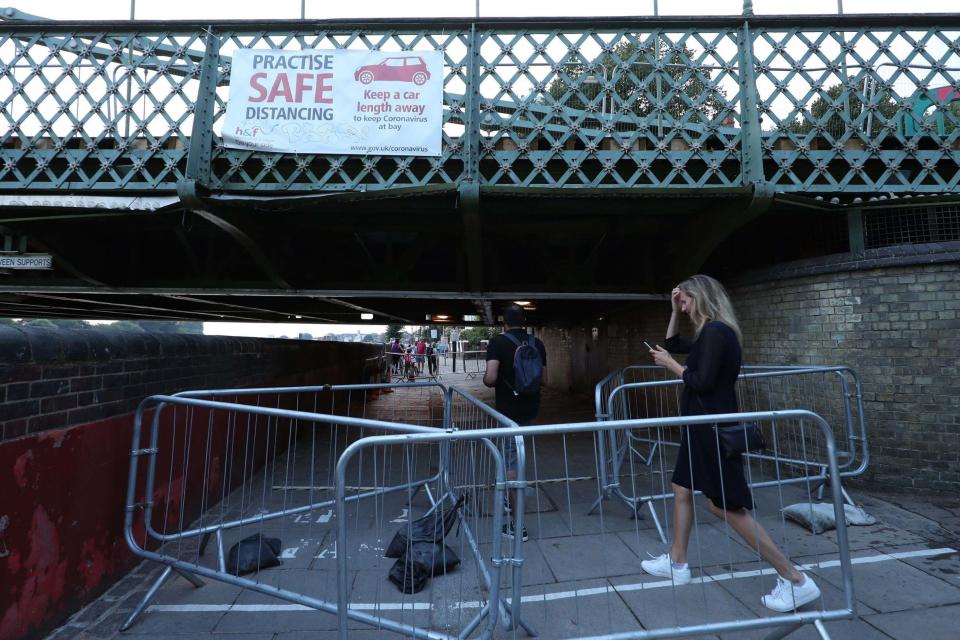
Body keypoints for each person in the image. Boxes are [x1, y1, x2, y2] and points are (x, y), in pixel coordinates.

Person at [642, 274, 821, 612]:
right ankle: (677, 563)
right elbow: (673, 341)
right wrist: (672, 311)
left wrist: (670, 366)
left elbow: (701, 381)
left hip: (711, 430)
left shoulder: (716, 332)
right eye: (679, 301)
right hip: (699, 428)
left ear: (701, 297)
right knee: (681, 488)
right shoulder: (711, 332)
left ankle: (795, 579)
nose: (683, 305)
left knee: (725, 505)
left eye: (685, 300)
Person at [483, 304, 547, 542]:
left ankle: (518, 526)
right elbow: (544, 379)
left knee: (511, 462)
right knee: (517, 455)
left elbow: (490, 379)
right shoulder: (536, 343)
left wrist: (496, 379)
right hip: (531, 409)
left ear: (504, 323)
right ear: (525, 321)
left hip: (508, 410)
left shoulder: (498, 343)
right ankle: (510, 500)